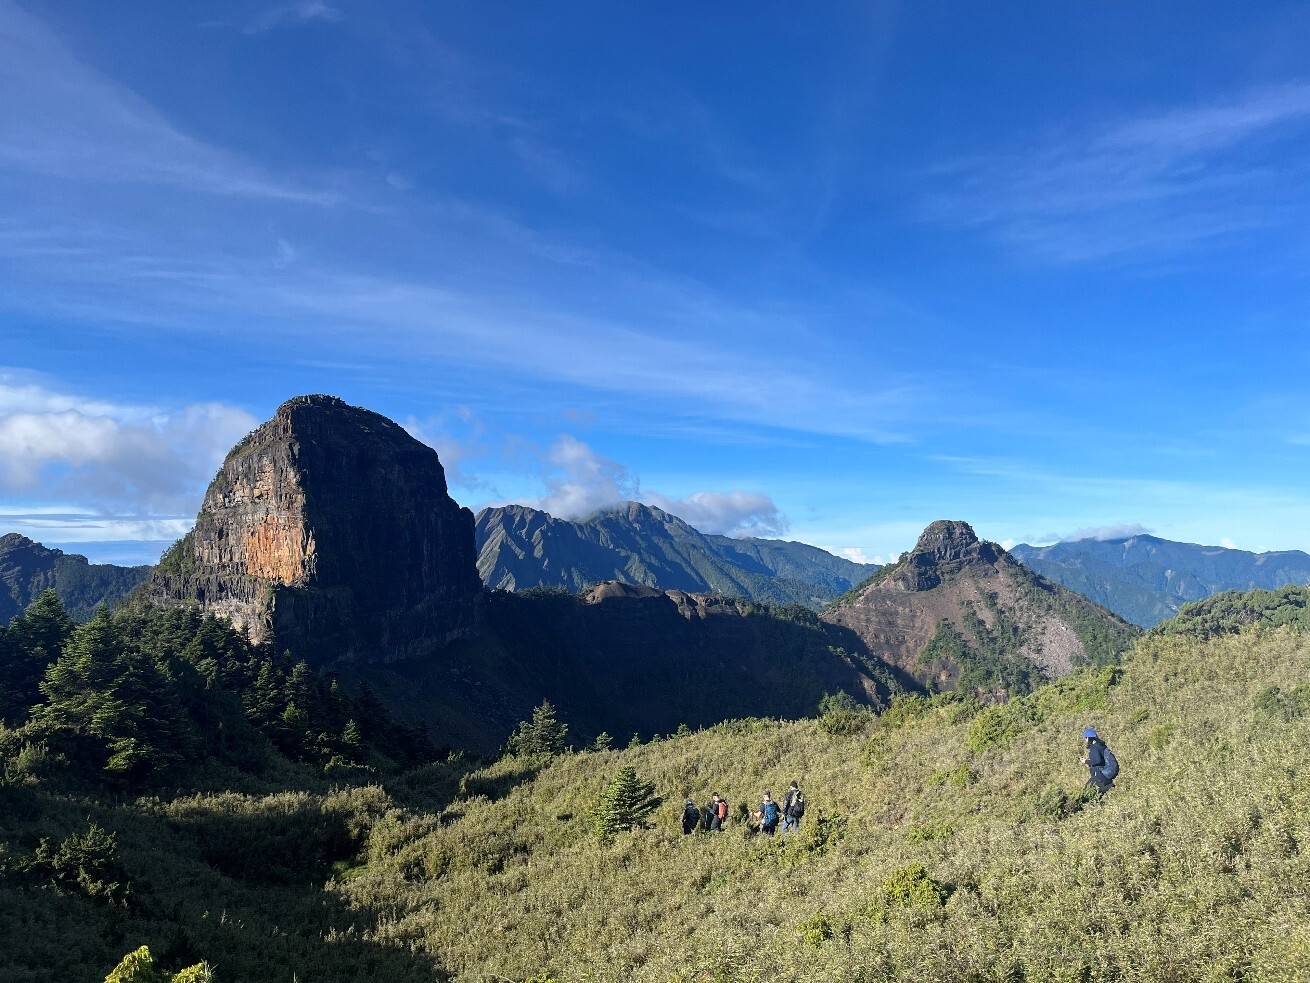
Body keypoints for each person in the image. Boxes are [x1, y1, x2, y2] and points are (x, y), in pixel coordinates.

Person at [1080, 727, 1118, 795]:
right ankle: (1109, 787)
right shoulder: (1102, 746)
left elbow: (1097, 760)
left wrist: (1086, 761)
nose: (1085, 739)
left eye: (1085, 737)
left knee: (1086, 793)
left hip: (1099, 776)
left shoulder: (1094, 747)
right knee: (1100, 794)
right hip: (1105, 775)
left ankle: (1110, 787)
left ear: (1088, 738)